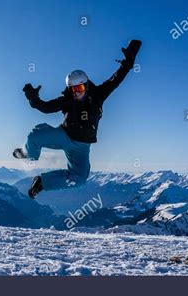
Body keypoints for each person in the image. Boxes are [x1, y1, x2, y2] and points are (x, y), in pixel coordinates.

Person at [14, 40, 142, 199]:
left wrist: (128, 61)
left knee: (79, 179)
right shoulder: (67, 100)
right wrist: (34, 100)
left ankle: (42, 182)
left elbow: (116, 79)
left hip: (82, 146)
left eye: (79, 88)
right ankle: (28, 153)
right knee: (35, 137)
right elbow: (47, 108)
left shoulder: (98, 95)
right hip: (65, 136)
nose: (76, 92)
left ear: (86, 85)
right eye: (73, 89)